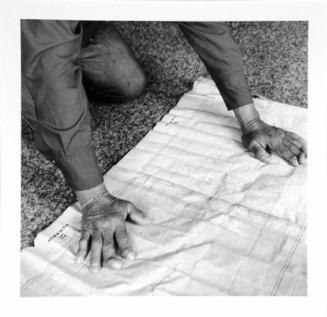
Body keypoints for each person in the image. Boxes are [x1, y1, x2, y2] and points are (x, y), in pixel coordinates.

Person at [21, 20, 307, 272]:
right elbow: (53, 81)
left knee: (129, 83)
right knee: (53, 105)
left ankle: (74, 38)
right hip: (29, 29)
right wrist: (94, 198)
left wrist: (252, 122)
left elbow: (207, 25)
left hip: (80, 25)